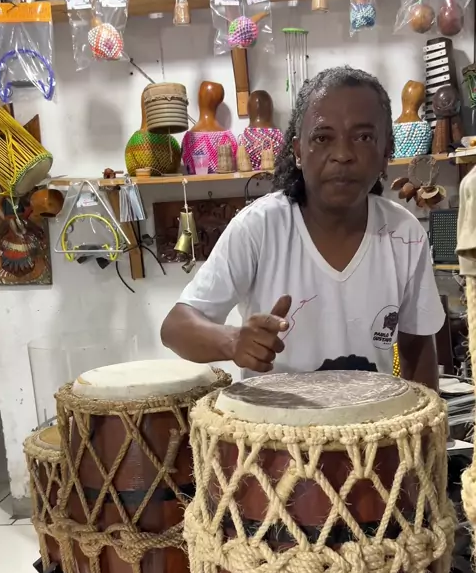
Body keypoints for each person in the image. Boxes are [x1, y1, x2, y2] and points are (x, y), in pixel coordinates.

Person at [161, 67, 444, 391]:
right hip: (271, 423)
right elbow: (175, 327)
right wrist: (233, 341)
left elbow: (417, 346)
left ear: (385, 153)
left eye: (363, 137)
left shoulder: (405, 234)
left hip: (372, 422)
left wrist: (429, 422)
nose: (343, 155)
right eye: (322, 138)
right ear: (297, 151)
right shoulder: (259, 227)